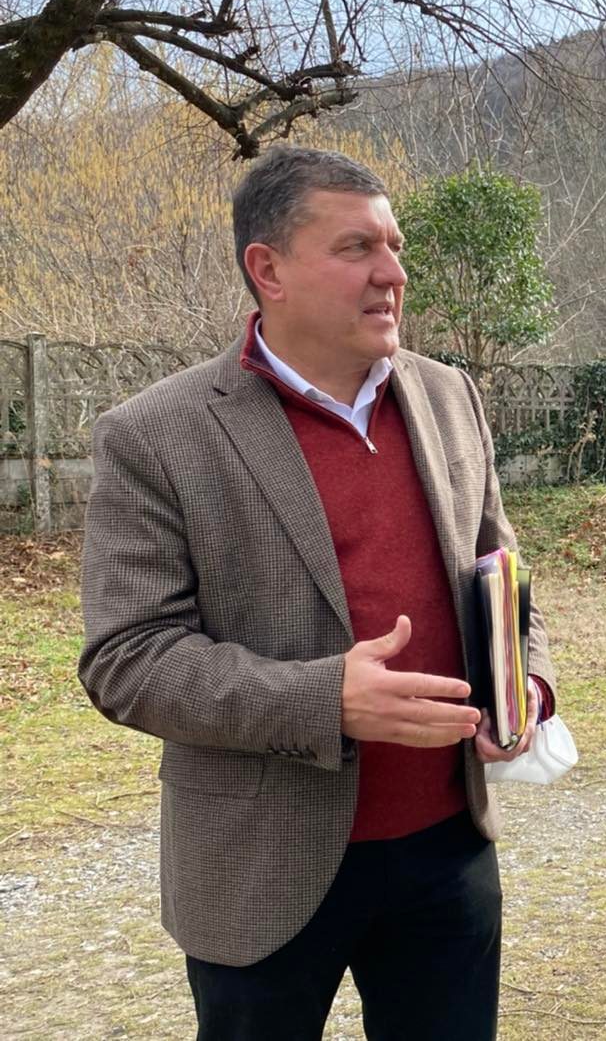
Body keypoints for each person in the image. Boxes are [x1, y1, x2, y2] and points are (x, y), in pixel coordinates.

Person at [78, 146, 556, 1040]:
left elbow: (505, 571)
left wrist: (523, 683)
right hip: (260, 864)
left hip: (448, 850)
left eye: (395, 246)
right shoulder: (156, 434)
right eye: (356, 249)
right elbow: (126, 660)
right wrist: (321, 699)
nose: (393, 274)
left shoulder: (451, 395)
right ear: (269, 270)